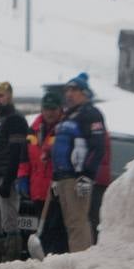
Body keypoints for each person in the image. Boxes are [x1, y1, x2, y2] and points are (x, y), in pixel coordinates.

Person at [51, 72, 106, 254]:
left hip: (77, 176)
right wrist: (55, 175)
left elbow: (97, 147)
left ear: (84, 93)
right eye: (67, 90)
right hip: (63, 176)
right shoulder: (68, 116)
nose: (69, 94)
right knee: (69, 221)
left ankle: (81, 257)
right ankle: (76, 255)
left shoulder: (91, 114)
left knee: (78, 220)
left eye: (74, 90)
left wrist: (87, 175)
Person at [17, 89, 69, 256]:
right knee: (42, 226)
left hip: (56, 189)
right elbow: (24, 158)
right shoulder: (33, 130)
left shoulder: (65, 129)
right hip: (37, 189)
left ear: (60, 109)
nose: (49, 113)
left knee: (55, 227)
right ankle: (44, 256)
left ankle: (55, 256)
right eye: (46, 108)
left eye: (53, 109)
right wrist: (23, 177)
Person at [0, 81, 29, 263]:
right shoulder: (4, 120)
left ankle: (11, 259)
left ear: (9, 97)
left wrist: (9, 180)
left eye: (1, 96)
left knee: (9, 221)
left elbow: (16, 152)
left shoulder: (15, 119)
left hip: (7, 177)